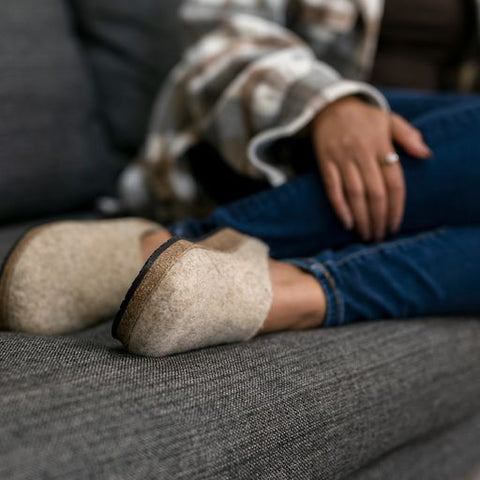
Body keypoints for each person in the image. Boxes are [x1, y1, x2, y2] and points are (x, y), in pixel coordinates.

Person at [0, 0, 479, 357]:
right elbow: (223, 36)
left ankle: (286, 286)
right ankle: (207, 247)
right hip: (276, 147)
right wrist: (330, 105)